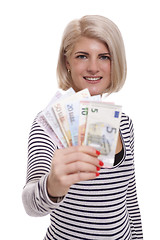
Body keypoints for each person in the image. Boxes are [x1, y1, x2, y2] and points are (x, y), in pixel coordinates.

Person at [22, 15, 143, 239]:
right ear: (67, 63)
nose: (94, 67)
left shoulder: (124, 123)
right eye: (82, 56)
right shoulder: (49, 124)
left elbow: (129, 195)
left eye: (104, 57)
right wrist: (52, 185)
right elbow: (30, 203)